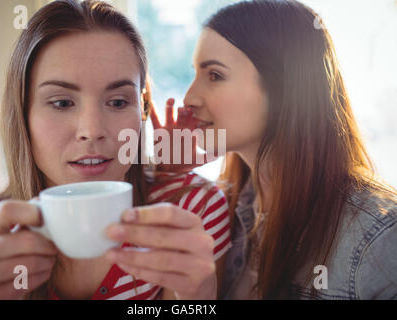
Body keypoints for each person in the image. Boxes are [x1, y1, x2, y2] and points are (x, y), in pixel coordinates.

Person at [0, 0, 231, 300]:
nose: (92, 130)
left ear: (142, 109)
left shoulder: (192, 210)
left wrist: (198, 299)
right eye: (62, 103)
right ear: (23, 115)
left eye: (118, 102)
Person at [152, 0, 397, 299]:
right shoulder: (220, 206)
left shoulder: (379, 238)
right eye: (195, 75)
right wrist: (165, 173)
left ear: (283, 88)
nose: (189, 97)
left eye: (214, 75)